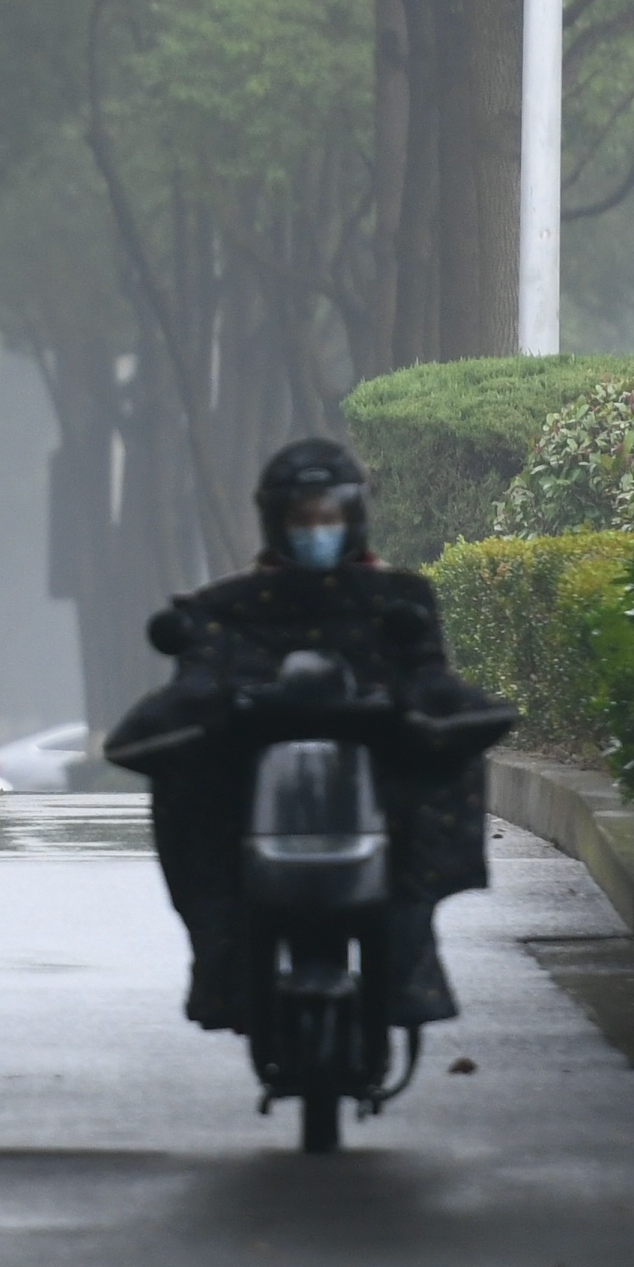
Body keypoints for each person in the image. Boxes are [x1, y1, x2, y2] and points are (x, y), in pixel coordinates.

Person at [107, 438, 496, 1034]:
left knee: (438, 784)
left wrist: (422, 716)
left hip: (379, 795)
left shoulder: (401, 601)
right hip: (250, 801)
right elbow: (199, 682)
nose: (317, 532)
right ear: (276, 522)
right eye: (302, 520)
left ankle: (407, 966)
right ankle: (224, 969)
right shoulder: (229, 609)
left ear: (353, 518)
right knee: (188, 792)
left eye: (328, 518)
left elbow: (428, 681)